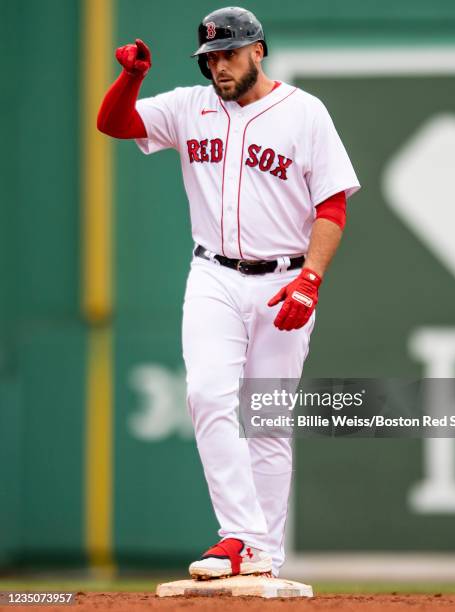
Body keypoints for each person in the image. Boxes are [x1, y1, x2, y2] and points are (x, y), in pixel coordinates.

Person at [98, 6, 360, 580]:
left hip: (282, 278)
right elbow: (115, 125)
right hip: (213, 274)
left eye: (230, 53)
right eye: (211, 57)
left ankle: (264, 558)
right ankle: (239, 536)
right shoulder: (189, 107)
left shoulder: (304, 112)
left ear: (258, 50)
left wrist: (309, 281)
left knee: (267, 419)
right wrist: (132, 78)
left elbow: (333, 206)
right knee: (209, 395)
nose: (219, 66)